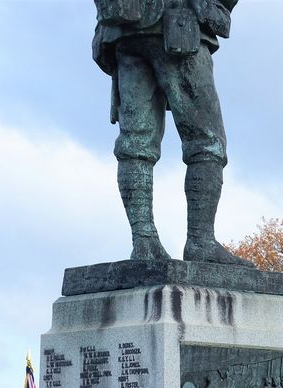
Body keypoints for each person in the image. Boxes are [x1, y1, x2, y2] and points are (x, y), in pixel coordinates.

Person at [91, 0, 251, 266]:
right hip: (176, 22)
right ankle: (201, 242)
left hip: (123, 30)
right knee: (206, 142)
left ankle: (144, 242)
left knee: (136, 143)